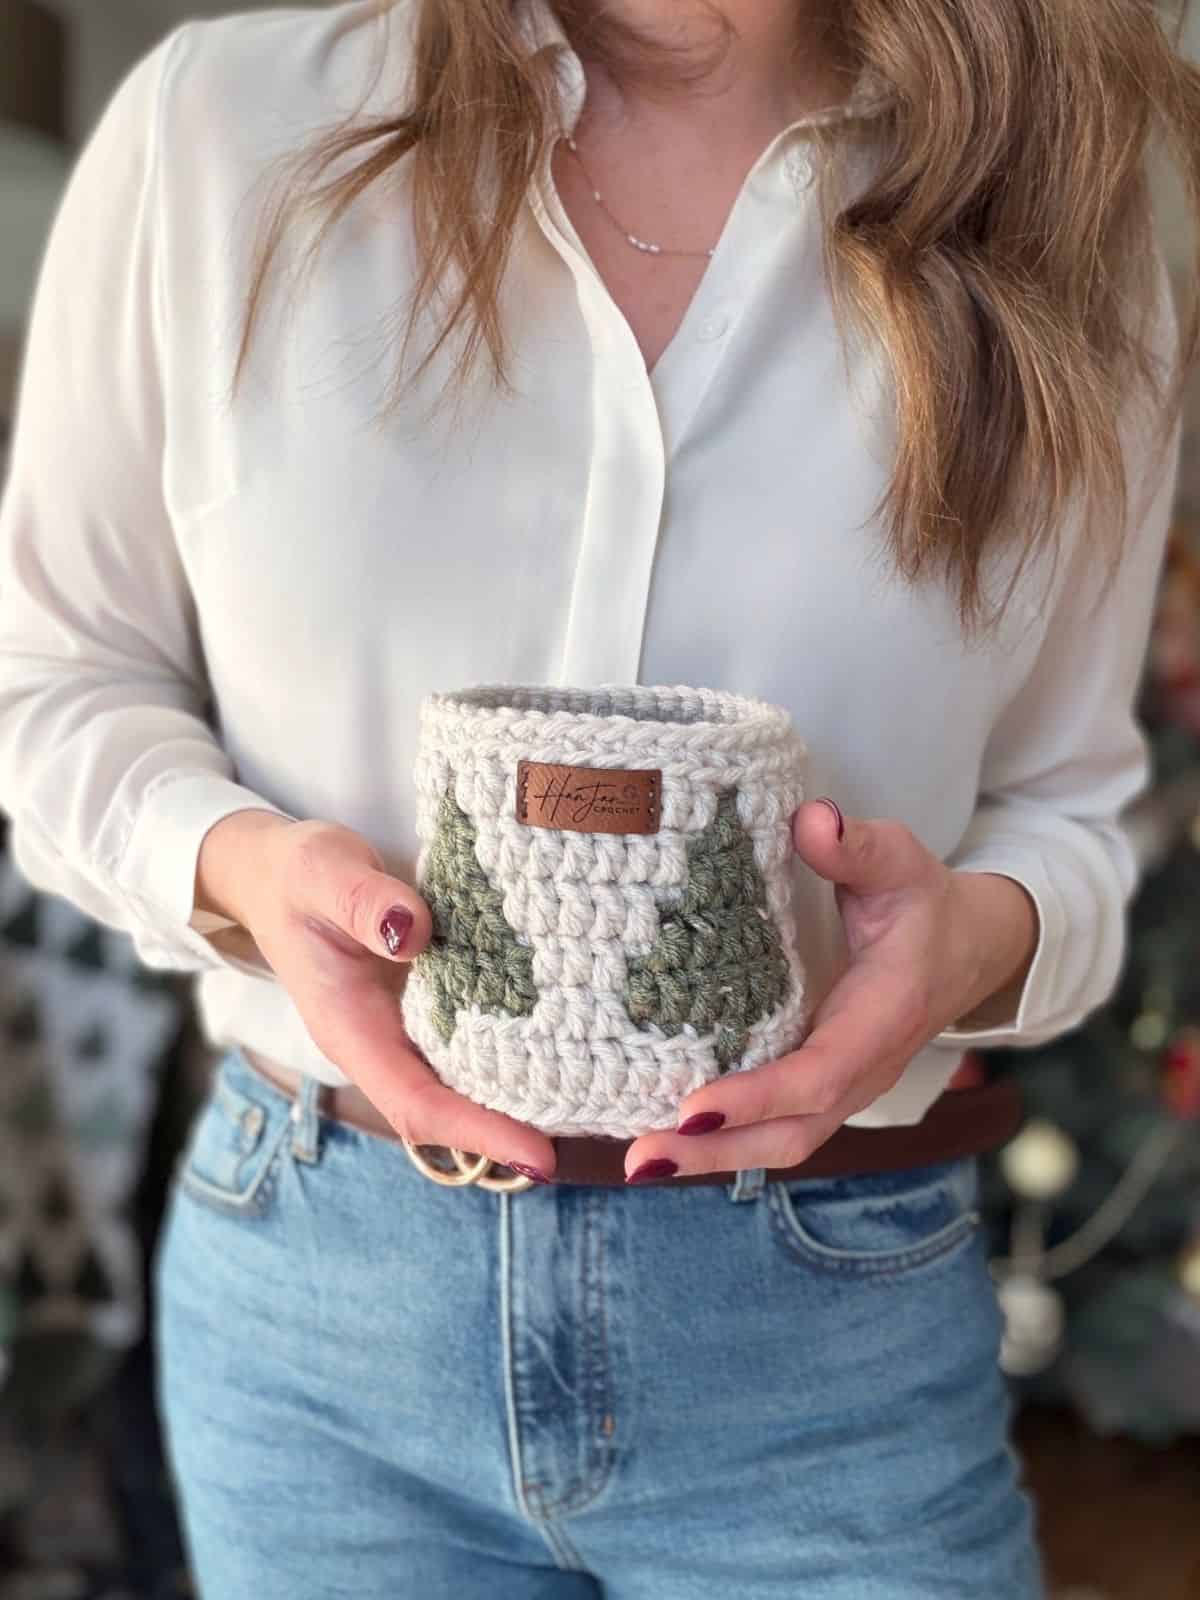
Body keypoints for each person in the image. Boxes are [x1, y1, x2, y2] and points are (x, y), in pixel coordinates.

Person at [0, 0, 1195, 1592]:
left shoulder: (1069, 196)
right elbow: (52, 691)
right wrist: (243, 870)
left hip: (823, 1331)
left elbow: (1074, 808)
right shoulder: (219, 130)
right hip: (322, 1322)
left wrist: (969, 939)